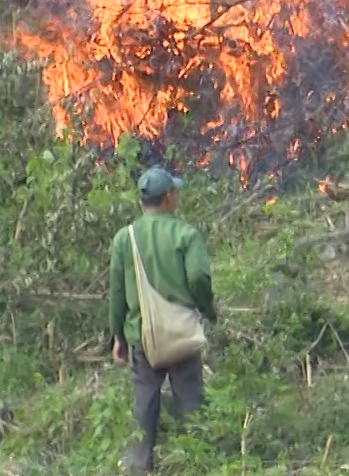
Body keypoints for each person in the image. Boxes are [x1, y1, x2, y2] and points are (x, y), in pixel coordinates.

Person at [108, 167, 216, 474]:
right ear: (169, 197)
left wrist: (118, 336)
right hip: (181, 334)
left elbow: (117, 293)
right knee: (190, 402)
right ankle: (196, 462)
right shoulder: (186, 234)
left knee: (144, 403)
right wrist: (207, 309)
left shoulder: (124, 238)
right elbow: (198, 276)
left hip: (142, 337)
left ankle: (139, 466)